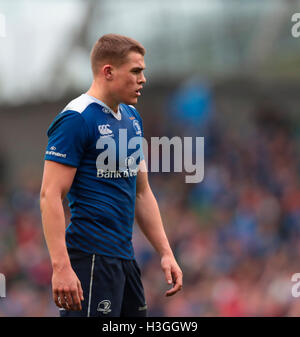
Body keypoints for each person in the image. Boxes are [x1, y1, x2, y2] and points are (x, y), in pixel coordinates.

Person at [40, 34, 183, 317]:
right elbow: (50, 194)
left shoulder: (131, 118)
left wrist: (166, 252)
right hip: (89, 259)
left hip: (124, 259)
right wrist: (61, 267)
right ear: (108, 71)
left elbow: (141, 192)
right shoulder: (77, 118)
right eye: (135, 71)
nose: (143, 79)